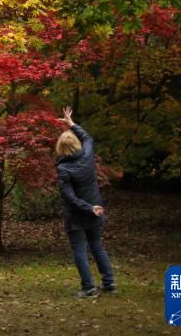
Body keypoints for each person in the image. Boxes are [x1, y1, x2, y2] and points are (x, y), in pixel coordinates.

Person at [55, 107, 116, 298]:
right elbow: (88, 138)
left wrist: (88, 208)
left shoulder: (64, 169)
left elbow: (69, 197)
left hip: (77, 214)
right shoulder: (87, 154)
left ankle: (89, 287)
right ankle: (109, 283)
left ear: (61, 148)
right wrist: (71, 123)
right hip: (95, 208)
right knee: (96, 244)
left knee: (80, 250)